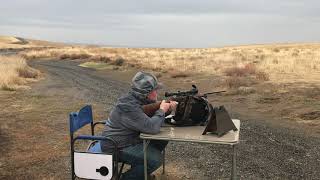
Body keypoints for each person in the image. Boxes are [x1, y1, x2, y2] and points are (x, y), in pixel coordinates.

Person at [101, 71, 177, 180]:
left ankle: (142, 173)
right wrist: (162, 110)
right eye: (154, 90)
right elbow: (152, 128)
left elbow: (147, 115)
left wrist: (166, 109)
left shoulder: (135, 99)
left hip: (127, 140)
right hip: (116, 146)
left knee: (161, 140)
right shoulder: (129, 106)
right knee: (155, 160)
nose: (156, 93)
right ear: (146, 93)